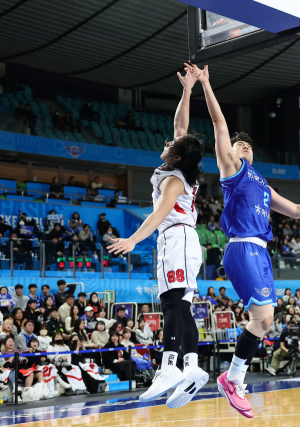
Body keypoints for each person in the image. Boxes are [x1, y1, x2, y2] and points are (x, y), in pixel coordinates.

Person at [190, 62, 300, 418]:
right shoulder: (232, 172)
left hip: (261, 253)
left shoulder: (262, 183)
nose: (243, 145)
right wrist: (205, 83)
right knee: (262, 318)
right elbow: (220, 125)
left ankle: (233, 377)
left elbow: (295, 209)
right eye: (238, 144)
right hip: (243, 246)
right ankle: (232, 378)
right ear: (231, 153)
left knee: (266, 321)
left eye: (247, 144)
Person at [105, 65, 208, 409]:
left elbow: (159, 213)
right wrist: (187, 90)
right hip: (187, 240)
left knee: (170, 304)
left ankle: (169, 367)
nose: (167, 140)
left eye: (171, 144)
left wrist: (133, 239)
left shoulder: (174, 179)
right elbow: (181, 126)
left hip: (175, 238)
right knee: (182, 305)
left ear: (176, 156)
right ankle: (192, 367)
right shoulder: (179, 166)